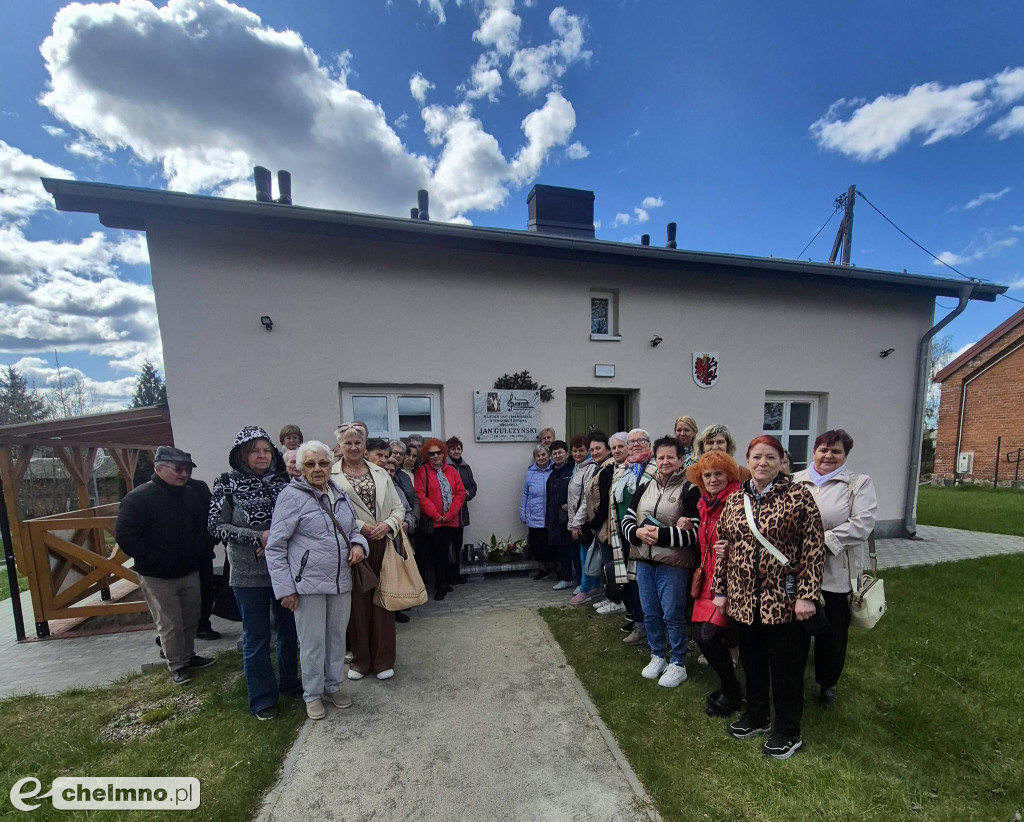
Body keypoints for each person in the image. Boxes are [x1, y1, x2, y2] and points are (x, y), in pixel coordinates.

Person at [712, 435, 825, 759]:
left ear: (780, 462)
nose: (762, 463)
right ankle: (757, 716)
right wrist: (720, 590)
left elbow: (813, 550)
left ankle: (788, 731)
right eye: (757, 457)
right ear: (748, 461)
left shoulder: (799, 496)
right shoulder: (736, 500)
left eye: (770, 457)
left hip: (785, 601)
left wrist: (806, 596)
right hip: (745, 600)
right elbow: (724, 548)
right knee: (753, 662)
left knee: (786, 669)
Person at [265, 441, 368, 719]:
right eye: (310, 464)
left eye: (323, 463)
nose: (318, 469)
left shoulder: (339, 493)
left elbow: (352, 530)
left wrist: (359, 546)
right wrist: (285, 589)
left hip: (340, 580)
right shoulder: (291, 496)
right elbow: (275, 547)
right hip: (307, 584)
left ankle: (332, 686)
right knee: (312, 642)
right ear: (300, 469)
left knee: (336, 638)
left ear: (330, 464)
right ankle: (312, 693)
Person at [209, 426, 297, 719]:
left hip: (284, 569)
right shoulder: (226, 483)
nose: (262, 455)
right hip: (248, 573)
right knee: (257, 637)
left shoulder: (284, 481)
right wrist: (258, 537)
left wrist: (276, 539)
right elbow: (216, 526)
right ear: (242, 454)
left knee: (289, 631)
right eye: (255, 450)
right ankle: (262, 698)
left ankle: (291, 685)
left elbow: (299, 518)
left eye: (267, 450)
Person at [117, 446, 218, 685]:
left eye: (187, 470)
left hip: (189, 570)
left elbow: (204, 526)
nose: (183, 474)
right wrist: (155, 559)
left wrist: (201, 550)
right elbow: (126, 536)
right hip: (157, 576)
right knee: (170, 621)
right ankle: (177, 664)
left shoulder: (192, 494)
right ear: (158, 468)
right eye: (178, 469)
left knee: (192, 617)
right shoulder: (138, 498)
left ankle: (189, 655)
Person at [792, 429, 877, 708]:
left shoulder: (857, 484)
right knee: (795, 630)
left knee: (832, 634)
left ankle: (827, 683)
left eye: (836, 451)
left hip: (835, 573)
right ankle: (793, 680)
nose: (828, 456)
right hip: (798, 571)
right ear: (814, 451)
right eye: (823, 450)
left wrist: (819, 542)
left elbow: (862, 524)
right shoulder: (795, 481)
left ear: (845, 456)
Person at [621, 436, 700, 688]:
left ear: (680, 460)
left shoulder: (690, 489)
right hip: (644, 561)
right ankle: (657, 655)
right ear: (655, 459)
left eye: (670, 457)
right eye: (660, 457)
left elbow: (695, 532)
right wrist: (636, 533)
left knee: (672, 615)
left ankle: (678, 662)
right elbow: (627, 521)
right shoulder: (645, 488)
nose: (665, 461)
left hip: (672, 565)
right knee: (650, 613)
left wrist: (660, 535)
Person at [332, 423, 407, 680]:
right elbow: (330, 511)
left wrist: (387, 524)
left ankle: (383, 660)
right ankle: (361, 661)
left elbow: (398, 507)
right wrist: (363, 528)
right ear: (340, 446)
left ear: (365, 445)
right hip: (354, 546)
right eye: (347, 443)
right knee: (358, 605)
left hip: (383, 542)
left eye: (358, 442)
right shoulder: (331, 476)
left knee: (384, 601)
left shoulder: (381, 472)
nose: (353, 447)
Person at [686, 451, 743, 716]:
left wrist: (734, 548)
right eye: (707, 474)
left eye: (718, 473)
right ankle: (728, 688)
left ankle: (732, 691)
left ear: (730, 475)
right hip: (706, 577)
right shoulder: (705, 503)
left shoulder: (739, 501)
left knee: (709, 637)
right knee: (701, 636)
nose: (712, 479)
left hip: (728, 580)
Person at [611, 428, 657, 645]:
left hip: (647, 535)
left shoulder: (656, 467)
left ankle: (656, 630)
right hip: (623, 534)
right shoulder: (622, 470)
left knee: (647, 583)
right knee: (632, 583)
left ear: (649, 443)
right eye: (632, 442)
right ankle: (640, 627)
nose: (636, 445)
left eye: (641, 440)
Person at [414, 438, 467, 601]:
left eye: (438, 452)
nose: (436, 456)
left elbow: (460, 493)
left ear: (443, 453)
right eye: (432, 453)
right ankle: (441, 585)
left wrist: (450, 514)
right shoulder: (422, 472)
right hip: (434, 522)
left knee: (450, 553)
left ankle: (443, 582)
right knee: (438, 554)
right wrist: (437, 515)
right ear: (426, 455)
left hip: (451, 520)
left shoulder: (451, 471)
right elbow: (420, 496)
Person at [577, 433, 616, 608]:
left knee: (609, 564)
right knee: (606, 564)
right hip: (599, 525)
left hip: (605, 525)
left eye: (598, 448)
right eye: (592, 449)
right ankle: (609, 597)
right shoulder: (598, 467)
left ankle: (615, 600)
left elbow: (604, 501)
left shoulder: (609, 468)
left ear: (608, 449)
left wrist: (594, 525)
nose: (594, 452)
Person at [594, 432, 630, 616]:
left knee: (621, 567)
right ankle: (616, 599)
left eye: (620, 447)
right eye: (614, 447)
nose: (617, 451)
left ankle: (621, 602)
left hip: (626, 528)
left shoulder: (632, 469)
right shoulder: (615, 469)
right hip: (615, 527)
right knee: (614, 566)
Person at [566, 434, 598, 600]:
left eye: (581, 450)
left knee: (585, 557)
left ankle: (585, 590)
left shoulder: (590, 468)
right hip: (575, 518)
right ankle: (595, 586)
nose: (577, 454)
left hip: (584, 521)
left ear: (588, 451)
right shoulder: (577, 467)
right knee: (584, 555)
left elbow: (587, 499)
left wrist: (576, 524)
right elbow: (574, 494)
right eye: (574, 450)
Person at [446, 437, 477, 585]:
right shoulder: (444, 467)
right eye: (453, 449)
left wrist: (466, 493)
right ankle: (448, 575)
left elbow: (473, 487)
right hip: (446, 514)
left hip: (461, 514)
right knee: (447, 547)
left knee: (457, 545)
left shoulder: (466, 467)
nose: (456, 451)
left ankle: (456, 574)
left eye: (458, 448)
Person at [545, 440, 575, 591]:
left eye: (560, 452)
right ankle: (566, 578)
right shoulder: (552, 475)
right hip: (557, 519)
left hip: (572, 518)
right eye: (554, 453)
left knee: (574, 551)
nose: (557, 455)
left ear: (566, 453)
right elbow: (549, 499)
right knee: (562, 550)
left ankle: (582, 582)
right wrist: (548, 520)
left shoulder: (573, 470)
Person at [521, 445, 555, 579]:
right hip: (535, 514)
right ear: (535, 458)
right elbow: (525, 494)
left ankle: (556, 569)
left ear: (549, 455)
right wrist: (523, 514)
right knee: (538, 544)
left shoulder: (555, 470)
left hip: (551, 515)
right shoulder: (530, 473)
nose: (541, 458)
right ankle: (542, 570)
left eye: (543, 455)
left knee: (553, 544)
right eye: (538, 455)